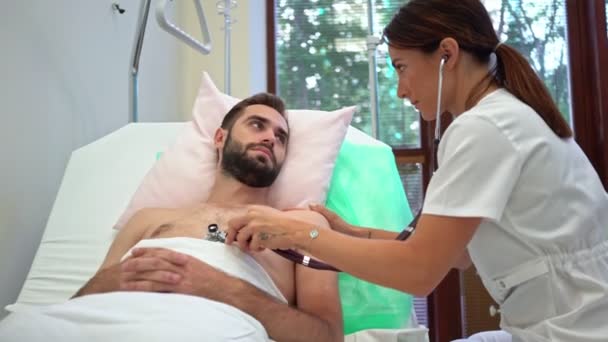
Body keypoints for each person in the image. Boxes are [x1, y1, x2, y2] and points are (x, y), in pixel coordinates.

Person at [226, 1, 608, 341]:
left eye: (401, 67)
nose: (400, 90)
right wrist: (356, 234)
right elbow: (458, 254)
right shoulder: (504, 116)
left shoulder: (485, 128)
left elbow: (420, 273)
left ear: (446, 54)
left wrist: (300, 233)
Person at [0, 93, 342, 342]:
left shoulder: (304, 226)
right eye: (257, 125)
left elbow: (327, 336)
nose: (270, 137)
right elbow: (85, 297)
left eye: (281, 137)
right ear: (220, 138)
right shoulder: (148, 219)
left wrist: (224, 288)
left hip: (210, 326)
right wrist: (109, 281)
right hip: (90, 320)